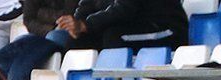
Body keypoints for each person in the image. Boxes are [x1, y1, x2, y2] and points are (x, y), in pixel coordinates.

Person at [0, 0, 79, 80]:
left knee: (51, 37)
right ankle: (6, 73)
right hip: (44, 32)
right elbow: (29, 20)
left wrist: (40, 13)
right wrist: (50, 27)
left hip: (71, 31)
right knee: (22, 40)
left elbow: (68, 14)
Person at [50, 0, 188, 51]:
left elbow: (125, 9)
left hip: (166, 29)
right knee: (77, 42)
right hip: (130, 26)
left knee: (114, 38)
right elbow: (86, 5)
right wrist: (76, 27)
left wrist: (85, 25)